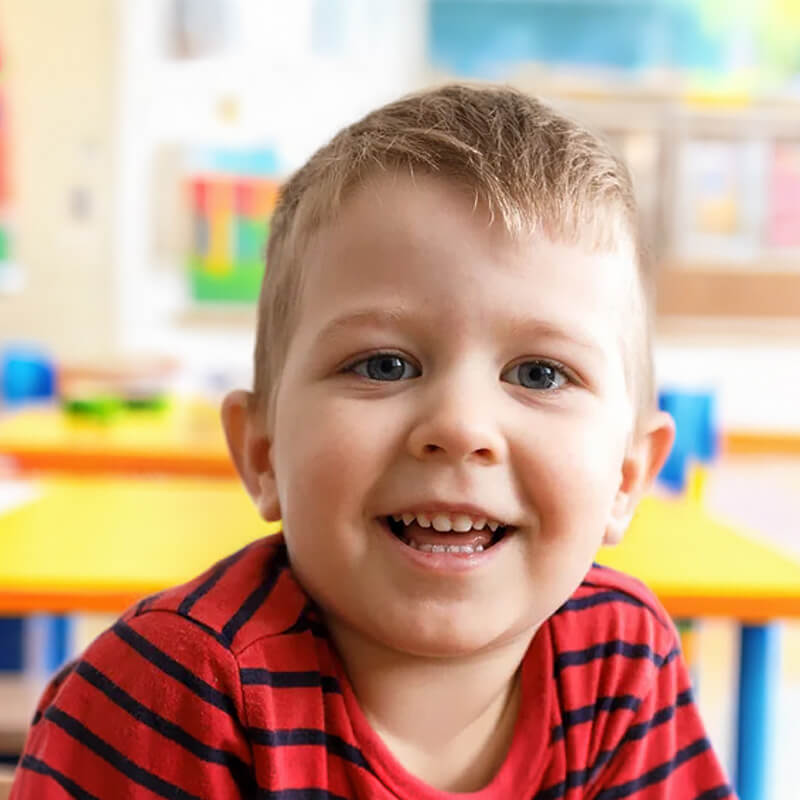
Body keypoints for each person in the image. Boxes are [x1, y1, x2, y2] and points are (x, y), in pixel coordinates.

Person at [11, 84, 735, 799]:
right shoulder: (177, 695)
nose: (459, 426)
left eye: (541, 373)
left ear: (626, 478)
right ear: (262, 452)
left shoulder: (620, 658)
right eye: (383, 365)